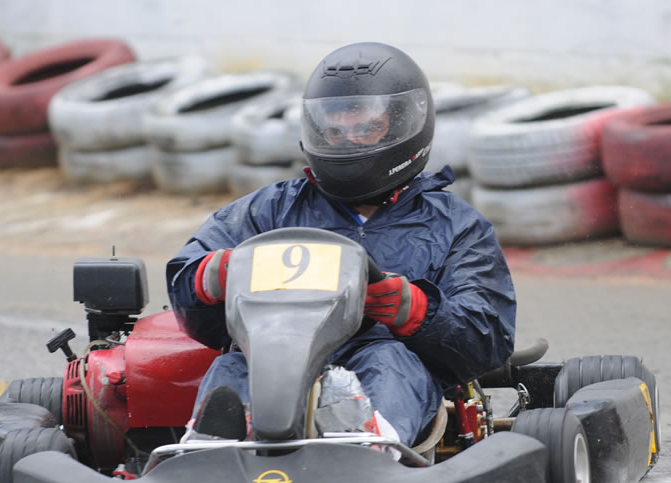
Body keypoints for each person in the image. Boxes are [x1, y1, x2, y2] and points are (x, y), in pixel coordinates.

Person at [166, 41, 516, 445]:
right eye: (335, 131)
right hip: (274, 354)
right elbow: (185, 279)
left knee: (389, 361)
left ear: (405, 124)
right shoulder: (269, 210)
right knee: (233, 368)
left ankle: (365, 440)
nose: (348, 142)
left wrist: (415, 309)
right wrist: (217, 273)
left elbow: (487, 336)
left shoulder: (454, 225)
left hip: (386, 358)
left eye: (366, 129)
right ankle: (212, 446)